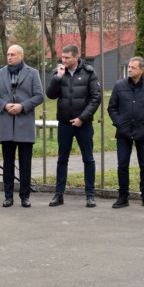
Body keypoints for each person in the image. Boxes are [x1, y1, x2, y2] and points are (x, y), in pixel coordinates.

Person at [45, 44, 102, 208]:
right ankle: (59, 194)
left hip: (83, 124)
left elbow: (95, 98)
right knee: (62, 159)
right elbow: (50, 95)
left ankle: (90, 195)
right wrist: (57, 79)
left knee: (88, 159)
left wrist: (82, 118)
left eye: (67, 57)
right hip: (64, 123)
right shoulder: (58, 72)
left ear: (76, 57)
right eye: (62, 57)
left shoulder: (89, 73)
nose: (64, 60)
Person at [0, 44, 44, 208]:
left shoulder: (32, 73)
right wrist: (5, 105)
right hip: (7, 123)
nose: (9, 57)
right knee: (7, 164)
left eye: (12, 54)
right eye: (7, 54)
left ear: (21, 56)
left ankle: (25, 196)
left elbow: (39, 96)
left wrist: (23, 106)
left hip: (25, 123)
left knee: (25, 163)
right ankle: (8, 196)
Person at [107, 55, 144, 209]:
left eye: (133, 68)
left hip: (143, 131)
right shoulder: (119, 86)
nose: (129, 70)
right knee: (122, 165)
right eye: (129, 67)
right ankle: (122, 197)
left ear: (142, 70)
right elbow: (112, 107)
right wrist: (119, 122)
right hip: (124, 132)